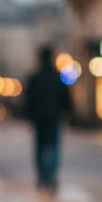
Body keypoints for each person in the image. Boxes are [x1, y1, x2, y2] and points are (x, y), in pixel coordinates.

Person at [24, 47, 73, 190]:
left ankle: (42, 174)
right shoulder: (57, 77)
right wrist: (68, 114)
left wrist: (29, 115)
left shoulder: (34, 78)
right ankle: (50, 174)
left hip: (38, 118)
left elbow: (28, 99)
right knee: (52, 146)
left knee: (40, 147)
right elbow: (66, 98)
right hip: (54, 117)